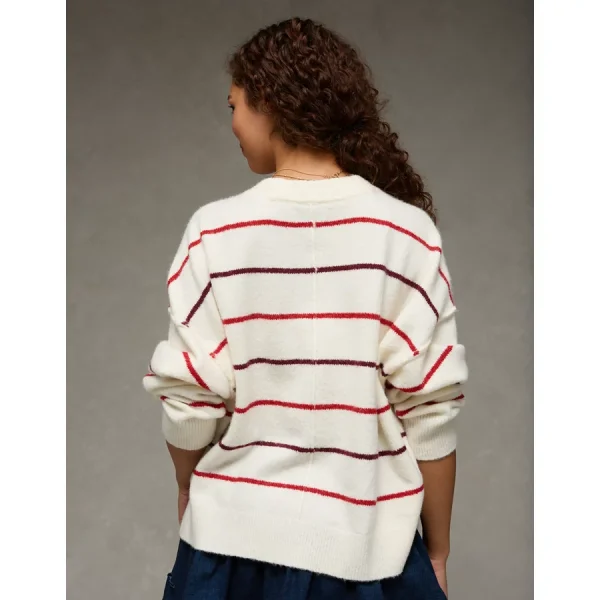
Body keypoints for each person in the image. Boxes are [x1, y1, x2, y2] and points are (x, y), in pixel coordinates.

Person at [143, 16, 468, 600]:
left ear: (269, 102)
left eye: (234, 105)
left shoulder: (214, 232)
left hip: (230, 551)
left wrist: (189, 490)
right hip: (373, 556)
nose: (232, 123)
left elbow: (190, 403)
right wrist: (438, 551)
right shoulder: (408, 234)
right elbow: (430, 413)